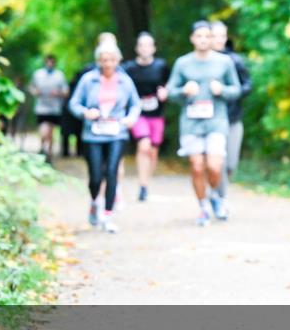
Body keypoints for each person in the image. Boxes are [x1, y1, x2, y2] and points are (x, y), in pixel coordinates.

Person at [165, 20, 242, 226]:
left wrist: (222, 90)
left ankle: (215, 195)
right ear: (192, 39)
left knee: (215, 166)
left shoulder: (224, 62)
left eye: (207, 36)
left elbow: (237, 89)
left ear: (212, 38)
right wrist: (183, 91)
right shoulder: (183, 63)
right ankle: (203, 207)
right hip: (191, 122)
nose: (202, 40)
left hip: (216, 121)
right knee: (197, 166)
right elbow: (169, 92)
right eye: (198, 36)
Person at [69, 41, 141, 233]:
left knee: (111, 171)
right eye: (104, 60)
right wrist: (85, 113)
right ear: (98, 61)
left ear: (117, 60)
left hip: (117, 132)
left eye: (111, 59)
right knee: (95, 176)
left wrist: (130, 119)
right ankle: (94, 202)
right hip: (93, 134)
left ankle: (108, 215)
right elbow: (74, 103)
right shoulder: (88, 80)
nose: (108, 63)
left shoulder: (125, 81)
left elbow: (135, 104)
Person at [122, 32, 170, 201]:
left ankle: (146, 183)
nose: (145, 49)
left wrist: (165, 92)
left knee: (153, 151)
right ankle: (142, 186)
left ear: (154, 48)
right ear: (137, 48)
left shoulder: (161, 66)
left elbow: (169, 84)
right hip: (138, 113)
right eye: (141, 45)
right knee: (144, 146)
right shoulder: (128, 68)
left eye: (148, 45)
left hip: (156, 114)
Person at [209, 21, 251, 205]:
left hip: (233, 118)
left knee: (230, 164)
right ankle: (220, 198)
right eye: (215, 35)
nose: (219, 40)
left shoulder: (235, 60)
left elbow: (247, 85)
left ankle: (218, 190)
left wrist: (231, 92)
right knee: (219, 161)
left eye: (222, 36)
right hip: (211, 121)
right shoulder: (202, 61)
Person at [28, 55, 69, 162]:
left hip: (55, 109)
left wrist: (58, 93)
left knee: (50, 131)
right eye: (48, 62)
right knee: (43, 131)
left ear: (54, 63)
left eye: (52, 62)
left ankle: (48, 153)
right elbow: (31, 87)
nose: (50, 64)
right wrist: (35, 92)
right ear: (45, 62)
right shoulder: (38, 74)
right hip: (41, 108)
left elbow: (66, 92)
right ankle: (43, 147)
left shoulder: (60, 75)